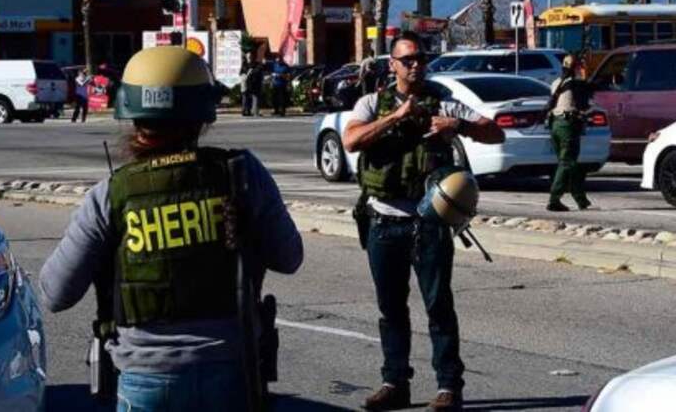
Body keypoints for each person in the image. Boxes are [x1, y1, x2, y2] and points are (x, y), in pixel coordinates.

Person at [40, 46, 303, 411]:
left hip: (146, 380)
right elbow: (289, 258)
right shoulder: (242, 175)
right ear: (202, 117)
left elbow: (55, 294)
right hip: (234, 373)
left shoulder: (111, 195)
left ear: (131, 117)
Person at [342, 31, 504, 411]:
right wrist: (395, 117)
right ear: (392, 65)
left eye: (420, 58)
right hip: (383, 220)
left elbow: (494, 132)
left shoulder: (444, 102)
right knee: (391, 308)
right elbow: (351, 140)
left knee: (439, 306)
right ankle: (394, 382)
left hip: (428, 220)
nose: (415, 65)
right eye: (407, 60)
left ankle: (449, 387)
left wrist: (457, 127)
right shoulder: (372, 103)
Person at [546, 54, 593, 212]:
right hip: (568, 126)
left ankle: (581, 199)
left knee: (568, 164)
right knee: (567, 162)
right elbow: (584, 105)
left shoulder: (556, 83)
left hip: (556, 125)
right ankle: (554, 199)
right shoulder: (576, 84)